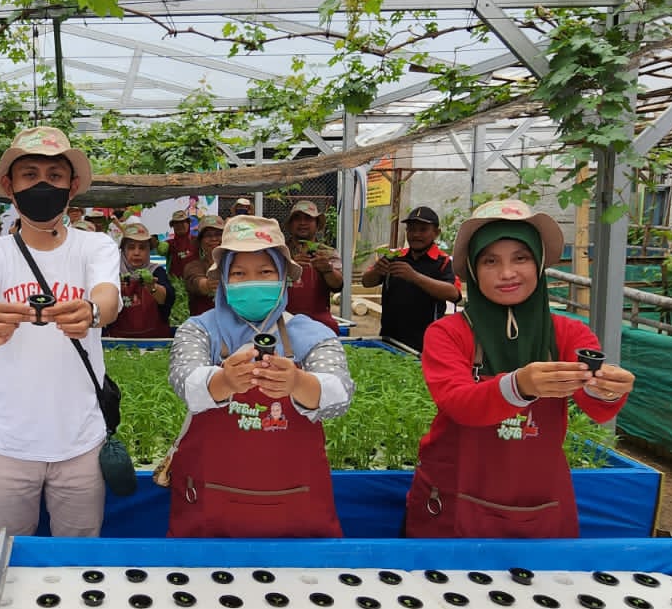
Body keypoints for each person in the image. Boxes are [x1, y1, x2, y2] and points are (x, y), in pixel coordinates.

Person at [404, 200, 636, 539]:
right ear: (473, 269)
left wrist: (607, 389)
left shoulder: (567, 334)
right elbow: (457, 402)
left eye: (521, 258)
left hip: (539, 503)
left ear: (539, 263)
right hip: (453, 499)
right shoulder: (448, 333)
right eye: (490, 261)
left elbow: (598, 409)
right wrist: (520, 385)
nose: (507, 273)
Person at [0, 126, 121, 537]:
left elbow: (108, 300)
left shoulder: (96, 247)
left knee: (78, 556)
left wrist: (90, 311)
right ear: (9, 185)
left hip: (81, 442)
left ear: (72, 187)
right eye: (29, 175)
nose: (42, 185)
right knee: (3, 554)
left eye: (54, 176)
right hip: (5, 443)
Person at [164, 215, 354, 537]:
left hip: (295, 506)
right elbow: (184, 380)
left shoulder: (311, 334)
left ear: (283, 278)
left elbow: (339, 395)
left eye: (265, 272)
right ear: (224, 280)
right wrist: (224, 382)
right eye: (239, 273)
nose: (252, 281)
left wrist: (298, 383)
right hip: (210, 503)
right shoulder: (200, 330)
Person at [360, 206, 461, 352]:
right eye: (411, 229)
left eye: (423, 230)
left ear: (436, 233)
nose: (416, 234)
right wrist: (376, 271)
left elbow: (454, 294)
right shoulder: (394, 256)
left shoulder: (444, 262)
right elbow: (366, 282)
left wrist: (414, 276)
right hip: (389, 338)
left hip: (426, 342)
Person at [284, 199, 345, 334]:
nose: (302, 223)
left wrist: (328, 269)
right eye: (297, 218)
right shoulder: (281, 251)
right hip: (285, 318)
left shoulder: (328, 253)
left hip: (319, 320)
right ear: (290, 225)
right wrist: (288, 267)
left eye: (308, 219)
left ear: (317, 225)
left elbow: (338, 285)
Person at [106, 221, 174, 338]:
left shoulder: (156, 271)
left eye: (142, 248)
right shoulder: (112, 272)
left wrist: (152, 287)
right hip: (117, 340)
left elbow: (168, 299)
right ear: (123, 250)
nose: (137, 253)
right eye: (131, 247)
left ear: (149, 251)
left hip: (154, 340)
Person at [180, 215, 226, 317]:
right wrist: (208, 285)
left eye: (218, 234)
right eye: (208, 235)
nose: (214, 239)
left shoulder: (235, 264)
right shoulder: (193, 266)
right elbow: (196, 281)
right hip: (203, 324)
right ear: (200, 242)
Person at [165, 209, 196, 283]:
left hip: (196, 282)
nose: (179, 225)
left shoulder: (198, 241)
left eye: (182, 222)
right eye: (176, 223)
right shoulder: (168, 244)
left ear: (188, 223)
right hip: (175, 284)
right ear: (173, 226)